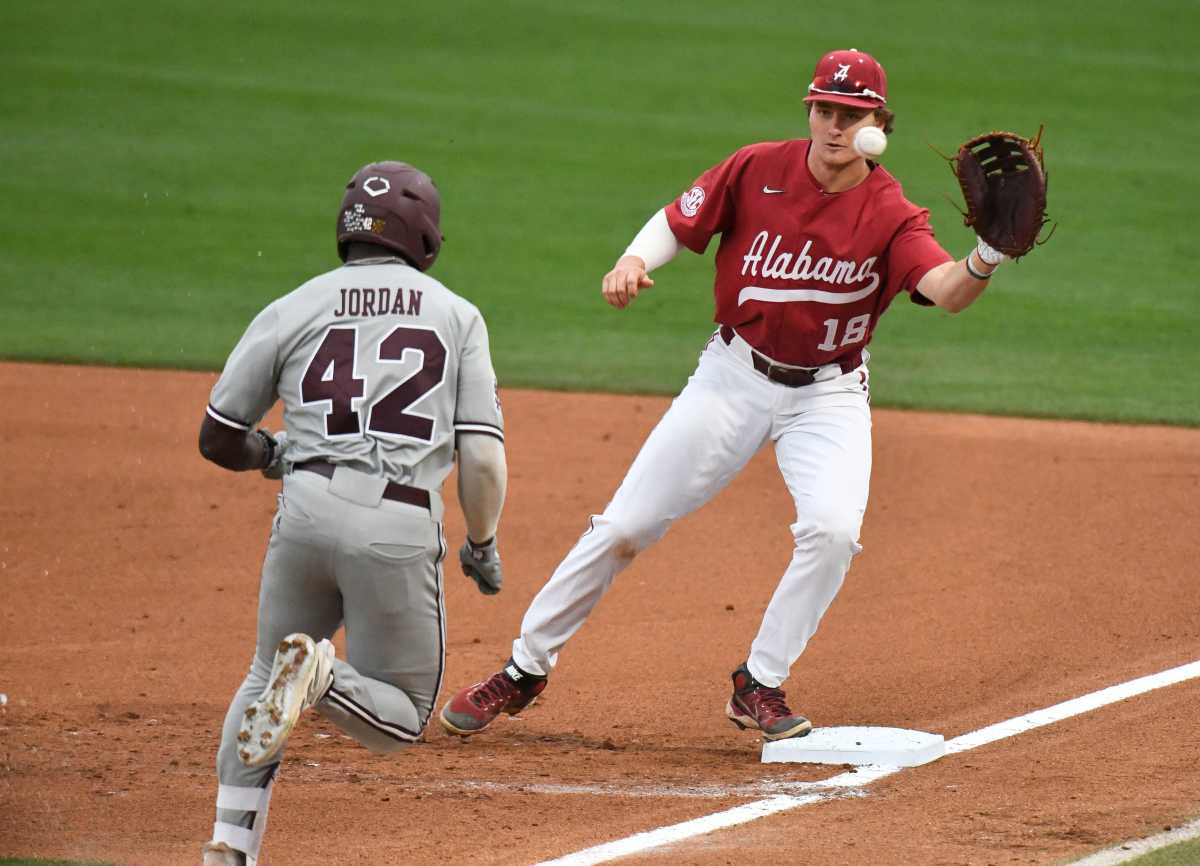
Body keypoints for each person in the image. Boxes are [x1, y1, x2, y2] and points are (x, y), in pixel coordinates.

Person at [439, 48, 1019, 743]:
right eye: (824, 110)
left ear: (876, 123)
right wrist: (631, 261)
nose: (834, 126)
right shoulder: (755, 169)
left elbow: (947, 292)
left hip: (828, 396)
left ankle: (760, 683)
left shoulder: (892, 212)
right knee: (625, 525)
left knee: (833, 532)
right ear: (810, 110)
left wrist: (987, 255)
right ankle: (524, 667)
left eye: (851, 114)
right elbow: (676, 221)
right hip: (733, 377)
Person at [197, 161, 508, 866]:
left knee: (260, 675)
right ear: (425, 234)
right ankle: (323, 678)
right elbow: (482, 460)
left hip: (303, 514)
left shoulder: (296, 304)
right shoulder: (456, 315)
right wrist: (482, 544)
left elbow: (218, 434)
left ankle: (229, 846)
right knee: (399, 719)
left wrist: (275, 453)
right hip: (394, 526)